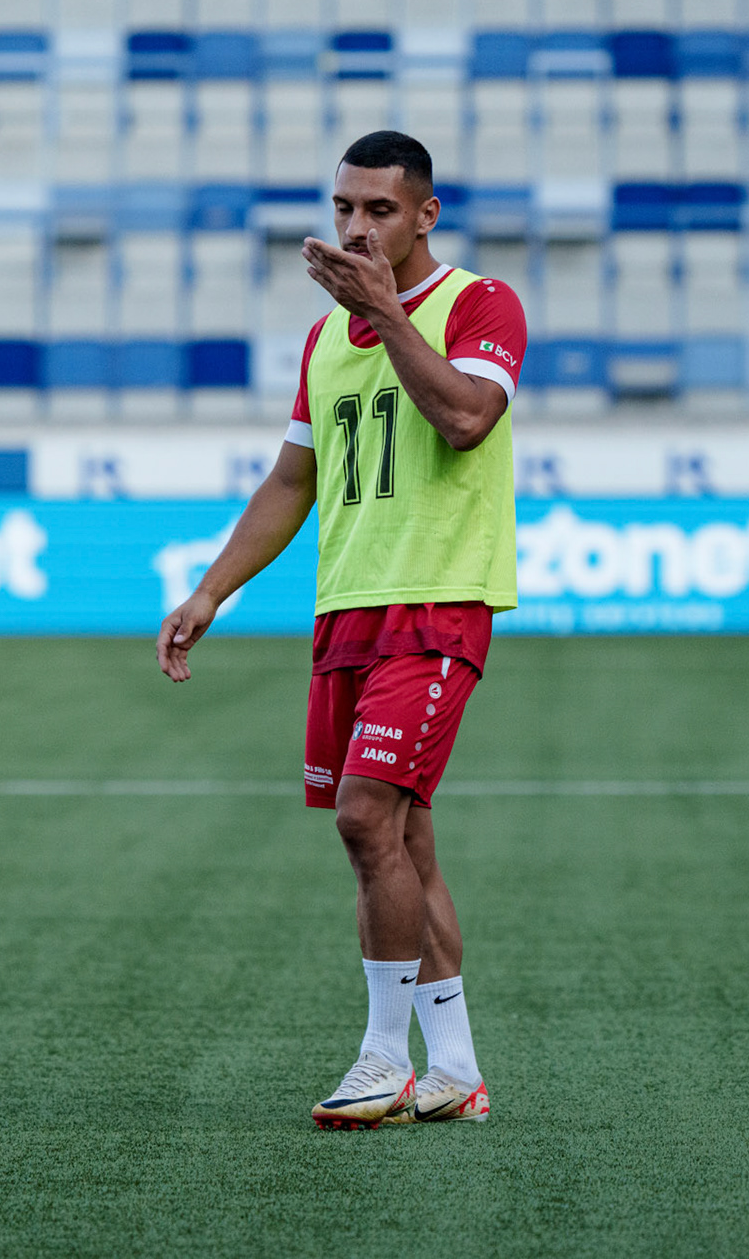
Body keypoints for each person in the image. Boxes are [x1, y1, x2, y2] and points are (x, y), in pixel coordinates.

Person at [156, 131, 526, 1129]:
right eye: (344, 210)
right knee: (401, 836)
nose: (357, 227)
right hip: (348, 613)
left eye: (379, 210)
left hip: (438, 602)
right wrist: (210, 591)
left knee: (367, 817)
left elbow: (464, 419)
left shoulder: (480, 304)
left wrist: (388, 315)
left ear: (424, 215)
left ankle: (381, 1056)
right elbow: (293, 480)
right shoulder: (326, 342)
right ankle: (455, 1067)